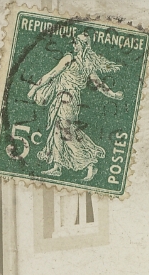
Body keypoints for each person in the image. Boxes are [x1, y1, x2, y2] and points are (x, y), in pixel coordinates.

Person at [26, 31, 123, 181]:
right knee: (58, 130)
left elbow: (51, 74)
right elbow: (100, 86)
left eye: (75, 43)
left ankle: (90, 163)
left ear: (81, 45)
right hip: (69, 99)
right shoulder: (87, 65)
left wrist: (34, 88)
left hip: (66, 99)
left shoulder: (69, 59)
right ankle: (57, 166)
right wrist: (113, 94)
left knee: (66, 132)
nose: (73, 45)